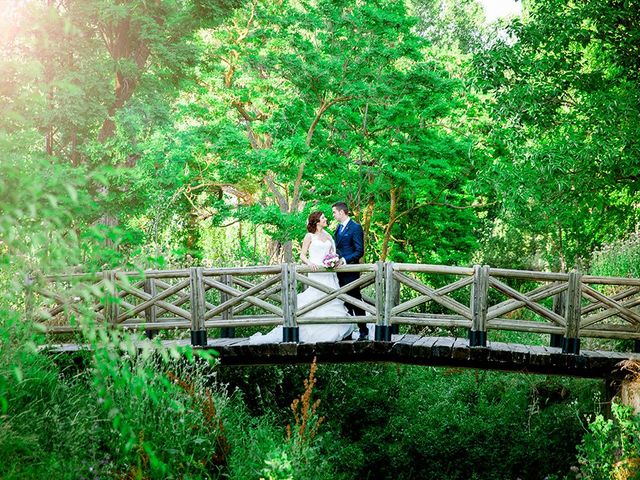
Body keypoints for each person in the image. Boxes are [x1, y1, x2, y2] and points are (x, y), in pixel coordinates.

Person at [249, 211, 355, 344]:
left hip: (328, 273)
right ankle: (311, 330)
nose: (326, 219)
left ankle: (332, 329)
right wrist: (310, 263)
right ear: (316, 221)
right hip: (315, 272)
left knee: (331, 299)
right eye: (323, 218)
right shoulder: (309, 236)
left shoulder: (328, 236)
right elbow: (302, 255)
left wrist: (334, 261)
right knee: (316, 298)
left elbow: (333, 253)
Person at [332, 201, 369, 341]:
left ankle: (363, 330)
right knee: (344, 301)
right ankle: (347, 331)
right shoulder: (338, 228)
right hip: (339, 272)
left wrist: (345, 260)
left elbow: (359, 251)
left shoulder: (355, 227)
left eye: (334, 212)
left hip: (351, 270)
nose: (333, 215)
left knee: (355, 299)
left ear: (342, 212)